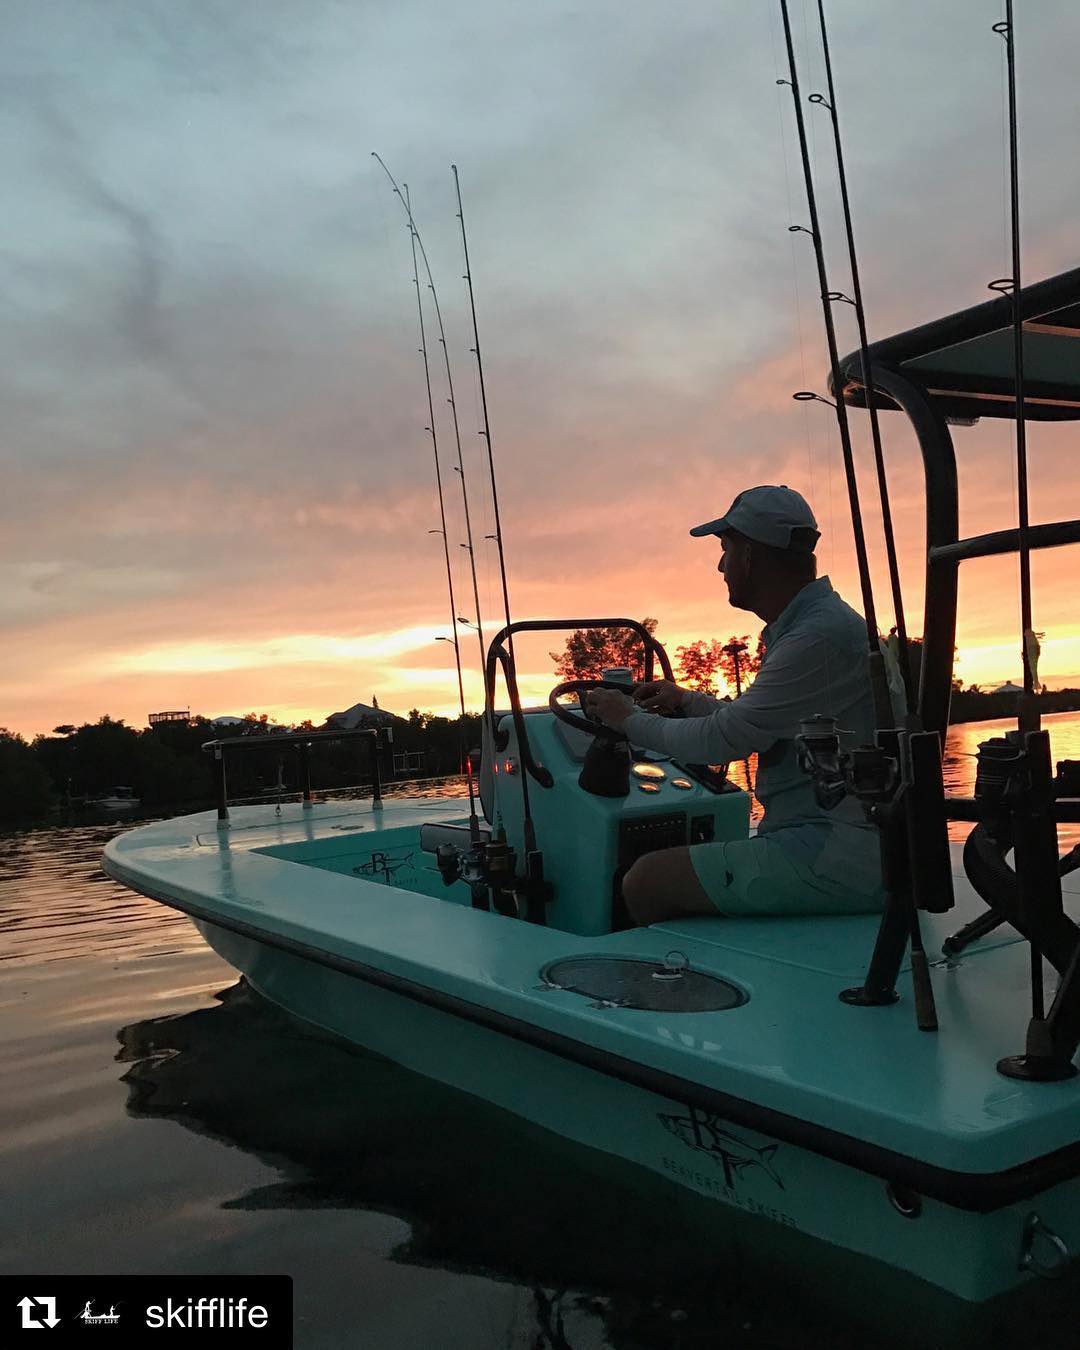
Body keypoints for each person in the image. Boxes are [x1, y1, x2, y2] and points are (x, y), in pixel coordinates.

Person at [586, 484, 897, 926]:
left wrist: (626, 720)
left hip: (834, 856)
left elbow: (724, 741)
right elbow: (759, 724)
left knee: (644, 880)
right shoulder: (819, 626)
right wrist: (687, 701)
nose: (720, 565)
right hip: (849, 844)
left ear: (750, 556)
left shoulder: (816, 637)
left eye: (725, 549)